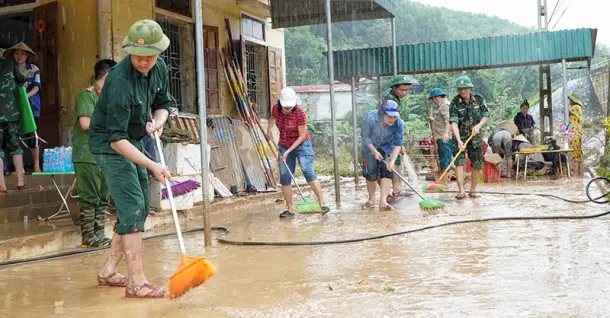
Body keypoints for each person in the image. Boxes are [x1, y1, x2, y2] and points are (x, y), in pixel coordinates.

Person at [88, 19, 172, 299]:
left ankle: (109, 270)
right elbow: (115, 138)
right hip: (109, 144)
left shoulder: (159, 68)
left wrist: (158, 122)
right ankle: (136, 283)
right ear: (129, 52)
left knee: (137, 207)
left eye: (149, 56)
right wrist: (153, 164)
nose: (144, 62)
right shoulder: (120, 80)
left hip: (133, 139)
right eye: (138, 56)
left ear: (158, 53)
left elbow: (163, 105)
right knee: (133, 204)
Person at [72, 59, 117, 248]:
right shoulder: (86, 95)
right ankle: (88, 236)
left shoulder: (107, 97)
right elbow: (85, 123)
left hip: (104, 155)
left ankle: (99, 233)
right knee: (89, 196)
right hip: (87, 155)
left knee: (102, 196)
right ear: (107, 75)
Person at [267, 87, 329, 218]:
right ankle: (290, 208)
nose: (288, 109)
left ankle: (322, 204)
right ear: (280, 103)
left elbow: (301, 136)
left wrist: (288, 151)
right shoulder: (275, 109)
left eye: (290, 107)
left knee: (307, 170)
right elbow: (272, 118)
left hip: (302, 144)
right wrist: (268, 130)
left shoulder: (299, 113)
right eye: (285, 107)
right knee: (285, 176)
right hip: (284, 144)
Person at [449, 75, 489, 200]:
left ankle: (473, 190)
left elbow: (486, 114)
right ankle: (461, 190)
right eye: (459, 89)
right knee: (459, 163)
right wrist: (459, 140)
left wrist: (479, 125)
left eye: (465, 88)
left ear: (470, 88)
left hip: (475, 136)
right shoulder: (455, 103)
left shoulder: (478, 99)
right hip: (460, 136)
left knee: (477, 163)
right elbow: (454, 123)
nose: (462, 91)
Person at [5, 42, 42, 172]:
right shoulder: (9, 69)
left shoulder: (33, 68)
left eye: (22, 53)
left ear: (27, 55)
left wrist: (25, 96)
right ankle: (18, 169)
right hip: (14, 107)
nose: (19, 56)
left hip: (31, 106)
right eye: (16, 53)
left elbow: (37, 87)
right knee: (15, 137)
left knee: (33, 135)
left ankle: (36, 165)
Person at [361, 100, 404, 211]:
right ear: (382, 113)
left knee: (388, 171)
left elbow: (398, 143)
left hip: (388, 146)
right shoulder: (370, 119)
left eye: (394, 117)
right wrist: (374, 151)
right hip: (370, 146)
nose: (392, 120)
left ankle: (383, 202)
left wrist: (392, 161)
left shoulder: (398, 123)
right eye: (390, 117)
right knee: (371, 172)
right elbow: (365, 138)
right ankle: (371, 200)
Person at [382, 75, 412, 202]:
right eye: (402, 90)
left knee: (396, 162)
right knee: (390, 163)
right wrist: (397, 143)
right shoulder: (389, 100)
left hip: (392, 136)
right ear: (394, 88)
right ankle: (392, 191)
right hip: (385, 137)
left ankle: (396, 189)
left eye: (406, 90)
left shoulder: (396, 99)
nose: (404, 93)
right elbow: (389, 122)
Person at [0, 50, 27, 192]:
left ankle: (2, 185)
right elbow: (22, 82)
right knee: (15, 146)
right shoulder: (10, 64)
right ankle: (20, 181)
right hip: (11, 114)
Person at [427, 88, 452, 186]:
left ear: (437, 97)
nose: (433, 101)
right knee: (443, 160)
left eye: (433, 99)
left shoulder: (445, 106)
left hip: (444, 138)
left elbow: (448, 120)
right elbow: (441, 121)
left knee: (445, 162)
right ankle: (444, 182)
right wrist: (433, 120)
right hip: (441, 137)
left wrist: (445, 133)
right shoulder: (441, 106)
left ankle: (445, 184)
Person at [568, 93, 584, 178]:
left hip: (575, 133)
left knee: (575, 154)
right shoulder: (579, 107)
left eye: (570, 100)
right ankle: (580, 175)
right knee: (579, 153)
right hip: (578, 132)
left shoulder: (575, 107)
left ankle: (576, 176)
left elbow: (568, 111)